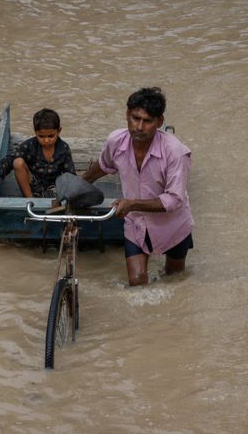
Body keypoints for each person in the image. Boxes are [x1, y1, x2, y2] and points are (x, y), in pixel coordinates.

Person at [82, 87, 194, 286]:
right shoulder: (115, 141)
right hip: (136, 223)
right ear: (127, 114)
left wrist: (132, 204)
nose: (139, 127)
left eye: (147, 121)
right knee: (137, 282)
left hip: (172, 225)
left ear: (159, 122)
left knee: (174, 277)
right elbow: (103, 165)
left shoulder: (175, 152)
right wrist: (80, 183)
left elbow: (174, 200)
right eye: (135, 118)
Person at [0, 108, 76, 198]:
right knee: (17, 162)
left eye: (51, 136)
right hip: (33, 185)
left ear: (59, 131)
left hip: (55, 188)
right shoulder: (29, 146)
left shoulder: (63, 148)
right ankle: (30, 199)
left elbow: (70, 174)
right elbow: (10, 158)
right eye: (41, 136)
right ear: (35, 133)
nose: (47, 140)